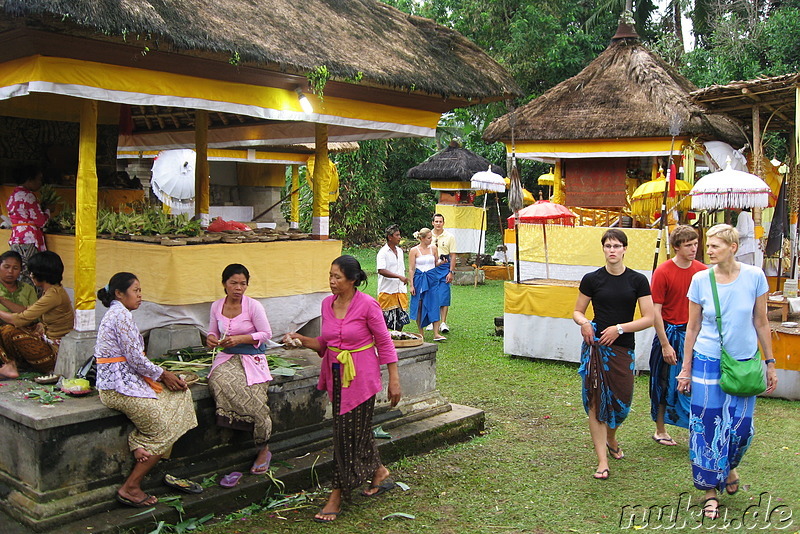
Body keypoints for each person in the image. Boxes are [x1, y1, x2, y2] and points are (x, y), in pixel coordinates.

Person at [286, 255, 401, 523]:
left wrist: (394, 379)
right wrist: (301, 340)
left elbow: (384, 342)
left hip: (360, 377)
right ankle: (379, 471)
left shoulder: (368, 305)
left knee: (345, 435)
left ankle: (338, 492)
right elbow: (324, 344)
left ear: (352, 279)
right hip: (335, 375)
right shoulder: (327, 304)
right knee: (352, 430)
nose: (332, 281)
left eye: (337, 277)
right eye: (330, 276)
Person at [678, 224, 777, 519]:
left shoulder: (755, 276)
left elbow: (761, 322)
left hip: (745, 361)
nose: (708, 250)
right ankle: (710, 492)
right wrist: (685, 368)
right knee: (706, 426)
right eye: (707, 245)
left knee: (741, 428)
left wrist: (769, 363)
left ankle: (730, 465)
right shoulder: (700, 280)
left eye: (715, 246)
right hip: (707, 360)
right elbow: (692, 327)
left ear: (733, 247)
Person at [95, 272, 197, 508]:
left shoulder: (121, 314)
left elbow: (135, 361)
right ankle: (131, 485)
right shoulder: (119, 316)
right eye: (136, 291)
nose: (140, 296)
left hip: (128, 382)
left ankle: (146, 447)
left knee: (179, 395)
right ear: (120, 294)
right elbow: (136, 360)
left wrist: (165, 377)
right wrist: (164, 374)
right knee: (162, 427)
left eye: (140, 291)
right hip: (117, 389)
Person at [573, 229, 654, 480]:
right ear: (603, 249)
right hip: (596, 348)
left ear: (625, 249)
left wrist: (620, 328)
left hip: (622, 348)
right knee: (596, 404)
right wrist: (585, 323)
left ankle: (611, 436)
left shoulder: (637, 280)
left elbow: (649, 318)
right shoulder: (592, 279)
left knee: (623, 401)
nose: (612, 250)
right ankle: (602, 461)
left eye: (617, 246)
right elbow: (577, 311)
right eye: (608, 246)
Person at [207, 264, 274, 475]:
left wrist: (241, 339)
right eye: (233, 283)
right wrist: (211, 339)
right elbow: (211, 331)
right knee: (219, 381)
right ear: (224, 284)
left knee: (255, 395)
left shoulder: (253, 306)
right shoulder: (216, 306)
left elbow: (266, 333)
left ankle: (263, 447)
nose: (238, 288)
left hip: (252, 357)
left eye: (243, 283)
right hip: (227, 357)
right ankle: (235, 423)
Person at [649, 226, 706, 446]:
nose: (694, 248)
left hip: (696, 334)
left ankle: (697, 429)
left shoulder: (702, 271)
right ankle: (660, 429)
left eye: (695, 243)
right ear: (676, 247)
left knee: (698, 383)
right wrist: (664, 344)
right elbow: (656, 310)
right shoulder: (663, 271)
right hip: (670, 332)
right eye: (688, 245)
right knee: (663, 382)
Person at [0, 251, 73, 378]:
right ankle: (13, 364)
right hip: (48, 341)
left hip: (55, 354)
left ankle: (10, 364)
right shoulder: (52, 291)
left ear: (40, 274)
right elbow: (26, 310)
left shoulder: (53, 295)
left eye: (32, 272)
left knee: (8, 330)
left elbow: (20, 319)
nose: (30, 275)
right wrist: (2, 300)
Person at [6, 166, 49, 279]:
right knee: (30, 272)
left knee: (18, 270)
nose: (40, 183)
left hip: (16, 238)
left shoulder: (13, 195)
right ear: (30, 180)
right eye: (39, 179)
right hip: (28, 239)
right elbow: (41, 222)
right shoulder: (28, 196)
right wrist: (48, 211)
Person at [408, 227, 445, 341]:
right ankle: (421, 333)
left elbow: (435, 263)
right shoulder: (414, 250)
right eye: (429, 238)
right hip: (419, 278)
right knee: (419, 304)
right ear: (422, 238)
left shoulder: (433, 248)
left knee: (434, 302)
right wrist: (411, 285)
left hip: (431, 278)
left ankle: (436, 333)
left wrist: (442, 262)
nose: (431, 240)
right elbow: (411, 268)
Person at [376, 224, 410, 331]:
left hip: (400, 289)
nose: (400, 237)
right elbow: (381, 270)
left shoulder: (400, 251)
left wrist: (402, 278)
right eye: (397, 235)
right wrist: (398, 276)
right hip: (387, 290)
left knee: (400, 319)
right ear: (390, 237)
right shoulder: (383, 252)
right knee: (386, 319)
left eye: (400, 235)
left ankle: (397, 338)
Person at [431, 213, 456, 333]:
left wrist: (451, 271)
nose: (438, 224)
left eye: (440, 221)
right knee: (431, 295)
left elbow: (453, 255)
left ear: (443, 223)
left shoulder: (449, 236)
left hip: (444, 267)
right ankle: (432, 321)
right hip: (431, 268)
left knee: (444, 295)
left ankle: (443, 322)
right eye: (436, 221)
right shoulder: (427, 235)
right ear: (433, 223)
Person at [0, 250, 38, 320]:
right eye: (6, 267)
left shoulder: (28, 289)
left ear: (21, 270)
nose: (10, 271)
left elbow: (35, 315)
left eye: (15, 268)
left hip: (26, 329)